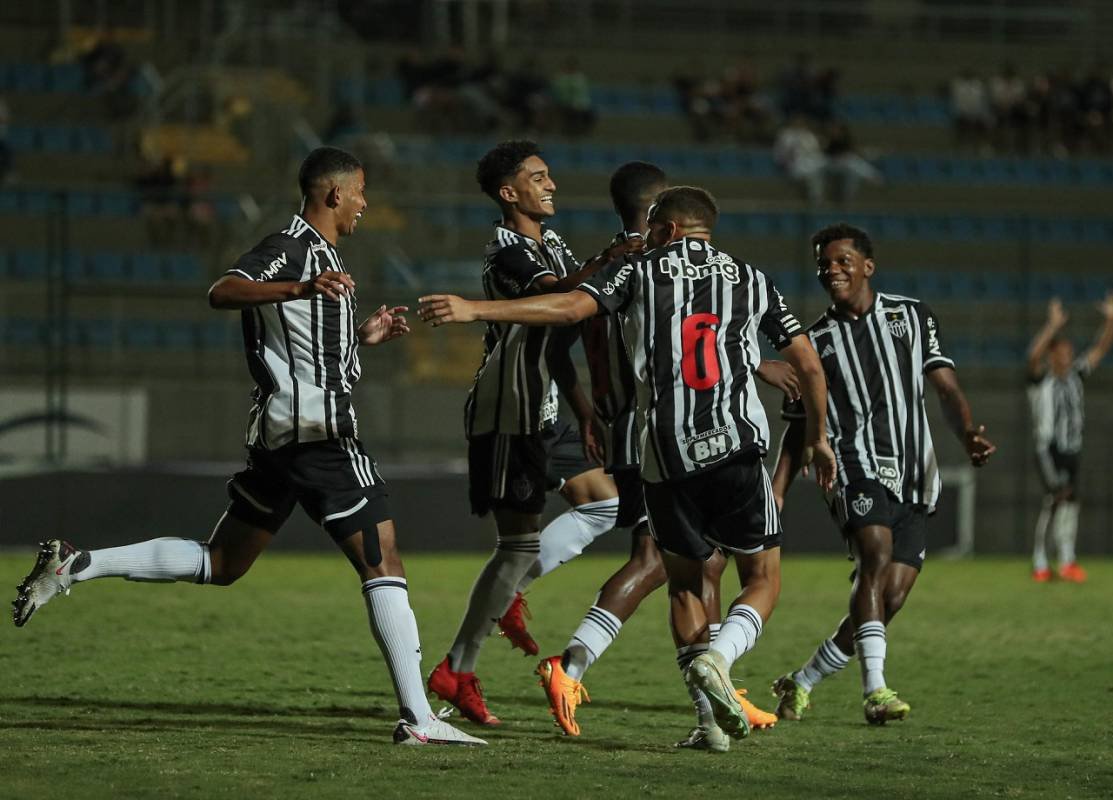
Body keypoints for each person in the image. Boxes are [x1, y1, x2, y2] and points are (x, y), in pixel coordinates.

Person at [10, 147, 484, 746]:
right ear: (334, 193)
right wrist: (302, 284)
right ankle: (419, 720)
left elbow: (312, 355)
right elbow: (223, 290)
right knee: (383, 559)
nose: (366, 203)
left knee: (223, 562)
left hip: (283, 435)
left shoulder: (325, 256)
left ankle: (78, 565)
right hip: (318, 433)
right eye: (361, 191)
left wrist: (366, 337)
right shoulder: (293, 247)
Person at [418, 186, 836, 752]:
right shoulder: (752, 278)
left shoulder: (639, 272)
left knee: (686, 584)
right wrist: (820, 438)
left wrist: (475, 310)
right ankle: (720, 660)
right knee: (761, 578)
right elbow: (807, 363)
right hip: (736, 447)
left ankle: (709, 726)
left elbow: (569, 308)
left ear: (663, 229)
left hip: (662, 457)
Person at [530, 163, 793, 741]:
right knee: (666, 564)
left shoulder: (600, 266)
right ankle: (574, 663)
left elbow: (558, 346)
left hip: (644, 427)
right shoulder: (643, 269)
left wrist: (585, 408)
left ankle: (714, 706)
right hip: (661, 431)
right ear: (661, 217)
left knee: (703, 566)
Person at [427, 140, 627, 727]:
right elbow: (562, 302)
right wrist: (619, 255)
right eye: (540, 177)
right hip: (509, 409)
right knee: (517, 545)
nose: (553, 185)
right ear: (510, 193)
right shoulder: (507, 253)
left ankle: (509, 594)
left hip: (547, 406)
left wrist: (584, 409)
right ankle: (457, 670)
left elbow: (560, 332)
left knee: (604, 504)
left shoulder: (555, 244)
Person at [770, 223, 995, 726]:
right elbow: (800, 427)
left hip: (916, 472)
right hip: (853, 466)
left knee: (888, 597)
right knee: (874, 553)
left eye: (842, 260)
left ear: (867, 266)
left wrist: (967, 435)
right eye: (824, 264)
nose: (832, 270)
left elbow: (946, 387)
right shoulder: (815, 343)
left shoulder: (911, 316)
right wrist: (777, 492)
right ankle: (875, 690)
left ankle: (801, 681)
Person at [1026, 292, 1113, 582]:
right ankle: (1041, 562)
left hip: (1072, 448)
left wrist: (1112, 320)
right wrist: (1052, 326)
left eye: (1069, 353)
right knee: (1056, 497)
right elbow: (1032, 356)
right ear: (1052, 355)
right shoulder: (1041, 380)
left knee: (1071, 501)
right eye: (1061, 353)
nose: (1067, 357)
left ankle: (1066, 560)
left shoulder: (1077, 375)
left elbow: (1099, 349)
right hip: (1048, 448)